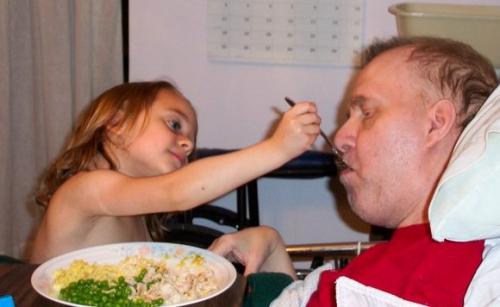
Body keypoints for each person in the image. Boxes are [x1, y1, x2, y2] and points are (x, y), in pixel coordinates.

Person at [209, 36, 499, 306]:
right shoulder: (408, 264)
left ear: (436, 123)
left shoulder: (439, 276)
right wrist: (273, 254)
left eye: (367, 114)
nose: (339, 138)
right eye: (349, 117)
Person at [29, 80, 322, 263]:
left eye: (191, 142)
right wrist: (277, 148)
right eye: (174, 125)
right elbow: (178, 191)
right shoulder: (85, 190)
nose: (187, 143)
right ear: (116, 124)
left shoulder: (137, 214)